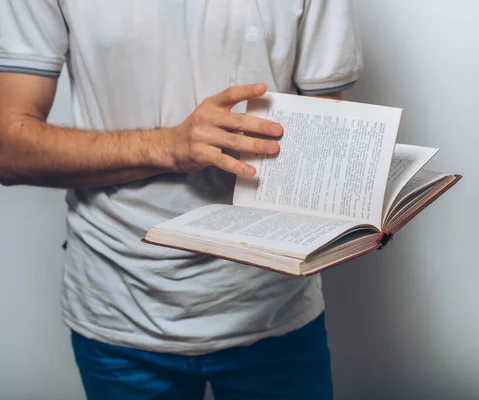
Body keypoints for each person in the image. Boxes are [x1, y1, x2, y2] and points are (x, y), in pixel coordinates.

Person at [0, 1, 363, 399]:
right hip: (119, 302)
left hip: (273, 304)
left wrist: (359, 218)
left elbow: (324, 135)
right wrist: (169, 146)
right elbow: (9, 150)